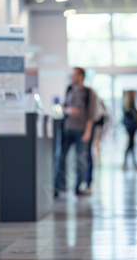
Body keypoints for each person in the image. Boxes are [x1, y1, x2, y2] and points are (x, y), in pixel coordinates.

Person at [54, 67, 94, 197]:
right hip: (67, 129)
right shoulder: (69, 89)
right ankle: (58, 186)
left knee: (80, 159)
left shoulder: (88, 93)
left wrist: (88, 132)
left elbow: (91, 114)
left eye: (74, 75)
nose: (72, 77)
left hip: (81, 131)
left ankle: (78, 187)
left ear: (81, 76)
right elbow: (63, 107)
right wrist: (68, 110)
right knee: (61, 157)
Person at [84, 95, 106, 194]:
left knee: (96, 146)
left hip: (97, 130)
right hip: (96, 130)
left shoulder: (99, 110)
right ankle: (98, 161)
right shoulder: (98, 109)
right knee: (95, 147)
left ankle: (99, 161)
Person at [123, 90, 137, 170]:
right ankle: (127, 163)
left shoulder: (127, 104)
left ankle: (132, 163)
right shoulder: (130, 104)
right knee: (130, 145)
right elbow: (132, 116)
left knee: (131, 145)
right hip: (131, 127)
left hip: (130, 127)